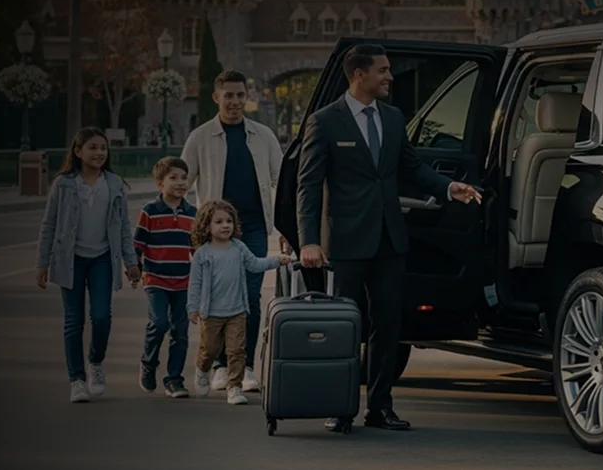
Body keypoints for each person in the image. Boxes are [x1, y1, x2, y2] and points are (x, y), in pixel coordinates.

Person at [297, 43, 482, 432]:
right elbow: (308, 186)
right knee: (347, 326)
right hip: (346, 242)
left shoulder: (394, 118)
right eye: (383, 70)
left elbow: (413, 169)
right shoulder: (325, 121)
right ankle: (340, 407)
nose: (390, 77)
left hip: (390, 240)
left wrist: (450, 188)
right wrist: (308, 240)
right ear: (358, 75)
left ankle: (379, 407)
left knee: (389, 324)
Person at [180, 69, 286, 393]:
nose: (235, 102)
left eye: (240, 95)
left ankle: (246, 366)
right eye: (229, 95)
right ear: (216, 97)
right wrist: (191, 233)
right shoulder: (200, 138)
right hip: (214, 234)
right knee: (219, 301)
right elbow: (182, 185)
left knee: (249, 298)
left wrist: (287, 228)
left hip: (253, 228)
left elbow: (280, 182)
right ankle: (221, 367)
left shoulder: (263, 135)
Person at [36, 127, 141, 403]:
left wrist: (131, 262)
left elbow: (123, 228)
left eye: (103, 148)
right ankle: (77, 380)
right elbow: (49, 225)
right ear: (78, 151)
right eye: (92, 148)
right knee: (73, 321)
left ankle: (95, 362)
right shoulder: (64, 184)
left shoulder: (114, 183)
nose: (99, 153)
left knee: (102, 317)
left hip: (103, 259)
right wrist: (42, 263)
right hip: (69, 260)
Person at [188, 200, 291, 405]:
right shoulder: (203, 254)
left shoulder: (238, 247)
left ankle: (234, 387)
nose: (225, 225)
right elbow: (195, 283)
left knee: (237, 350)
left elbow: (254, 264)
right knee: (210, 349)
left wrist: (276, 260)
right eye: (218, 222)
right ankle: (202, 369)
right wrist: (193, 307)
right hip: (211, 313)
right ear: (206, 226)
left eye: (229, 221)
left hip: (237, 310)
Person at [133, 156, 199, 398]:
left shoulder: (193, 214)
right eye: (173, 178)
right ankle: (148, 363)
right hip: (156, 280)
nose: (181, 183)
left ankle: (174, 379)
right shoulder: (150, 212)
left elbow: (198, 251)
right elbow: (138, 244)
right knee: (159, 323)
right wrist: (134, 268)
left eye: (184, 178)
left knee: (180, 332)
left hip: (184, 281)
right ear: (160, 184)